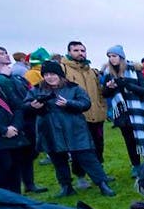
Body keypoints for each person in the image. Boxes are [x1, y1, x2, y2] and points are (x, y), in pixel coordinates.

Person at [24, 61, 115, 197]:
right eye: (47, 74)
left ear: (60, 75)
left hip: (74, 129)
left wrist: (68, 103)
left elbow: (86, 103)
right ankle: (66, 186)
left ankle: (102, 183)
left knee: (88, 158)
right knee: (58, 161)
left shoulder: (73, 88)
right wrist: (33, 106)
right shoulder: (36, 89)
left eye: (53, 74)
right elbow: (25, 106)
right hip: (50, 130)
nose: (50, 77)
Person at [99, 45, 144, 177]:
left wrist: (127, 85)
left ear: (121, 57)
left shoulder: (135, 69)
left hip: (138, 110)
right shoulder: (108, 73)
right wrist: (109, 87)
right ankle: (136, 165)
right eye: (110, 56)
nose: (112, 59)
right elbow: (104, 94)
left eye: (114, 56)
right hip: (122, 112)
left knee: (143, 138)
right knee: (129, 140)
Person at [0, 46, 40, 194]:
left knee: (18, 165)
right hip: (2, 133)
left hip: (18, 128)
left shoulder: (15, 77)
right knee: (4, 169)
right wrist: (4, 130)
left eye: (5, 52)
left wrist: (15, 126)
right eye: (0, 53)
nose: (4, 55)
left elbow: (17, 105)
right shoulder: (5, 78)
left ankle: (20, 196)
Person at [61, 41, 107, 168]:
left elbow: (99, 91)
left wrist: (102, 108)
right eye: (76, 50)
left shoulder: (91, 71)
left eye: (82, 50)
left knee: (98, 144)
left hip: (96, 114)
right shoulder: (63, 69)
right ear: (69, 52)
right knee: (78, 147)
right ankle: (80, 175)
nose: (80, 53)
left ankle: (100, 171)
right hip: (76, 115)